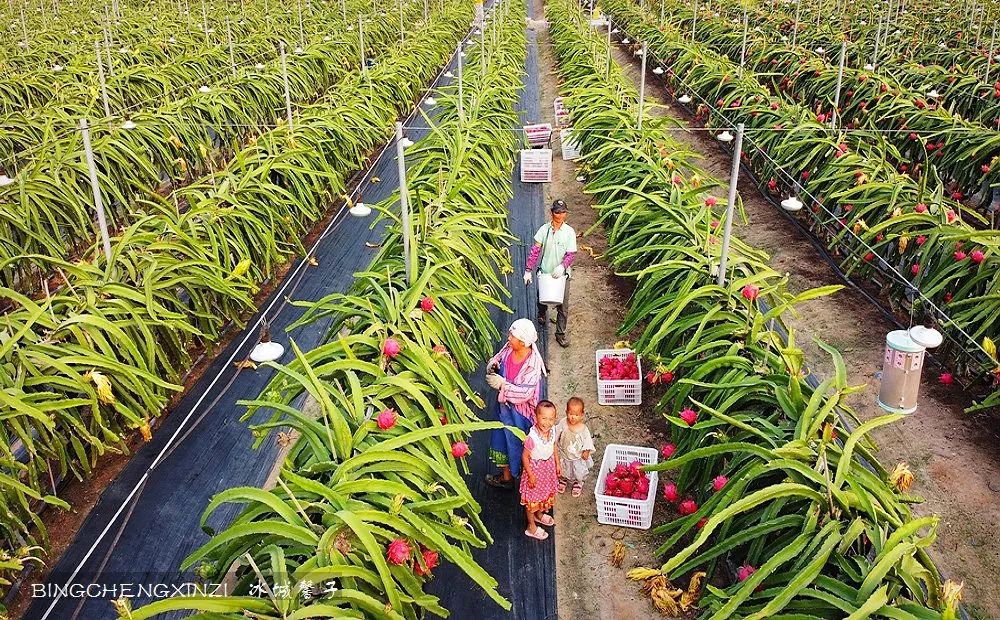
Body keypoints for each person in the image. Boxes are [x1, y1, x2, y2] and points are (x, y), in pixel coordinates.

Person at [485, 319, 547, 489]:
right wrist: (494, 364)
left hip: (521, 414)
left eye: (512, 336)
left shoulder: (532, 365)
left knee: (522, 445)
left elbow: (525, 393)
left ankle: (528, 481)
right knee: (501, 440)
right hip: (504, 408)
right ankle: (507, 478)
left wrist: (502, 385)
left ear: (523, 342)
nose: (509, 337)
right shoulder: (509, 348)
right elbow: (499, 356)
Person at [524, 199, 577, 348]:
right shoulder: (544, 230)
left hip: (562, 275)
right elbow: (535, 251)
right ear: (552, 213)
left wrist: (562, 266)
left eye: (563, 212)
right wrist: (528, 270)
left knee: (563, 306)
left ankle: (560, 334)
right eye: (557, 212)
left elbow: (571, 254)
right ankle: (542, 313)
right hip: (546, 273)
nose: (560, 216)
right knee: (542, 299)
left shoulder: (569, 232)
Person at [520, 400, 560, 540]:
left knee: (542, 495)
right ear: (536, 417)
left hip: (547, 469)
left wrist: (557, 463)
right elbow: (525, 457)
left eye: (551, 419)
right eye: (543, 418)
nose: (547, 422)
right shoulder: (532, 437)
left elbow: (554, 446)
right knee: (532, 499)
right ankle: (531, 526)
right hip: (535, 472)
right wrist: (530, 475)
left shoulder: (553, 430)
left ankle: (538, 515)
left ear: (555, 419)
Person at [555, 396, 595, 498]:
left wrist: (586, 450)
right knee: (565, 468)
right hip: (564, 453)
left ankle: (578, 482)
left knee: (578, 470)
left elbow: (587, 441)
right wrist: (554, 442)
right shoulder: (563, 423)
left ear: (582, 415)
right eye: (570, 413)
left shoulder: (583, 428)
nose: (573, 417)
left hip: (577, 455)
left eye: (576, 415)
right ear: (566, 412)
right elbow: (557, 433)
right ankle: (563, 479)